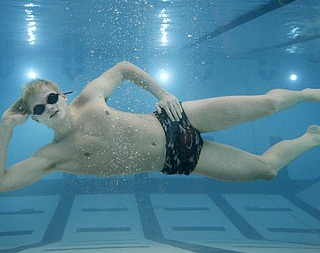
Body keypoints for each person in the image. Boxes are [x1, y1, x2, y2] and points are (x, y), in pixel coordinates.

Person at [1, 61, 320, 193]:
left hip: (178, 118)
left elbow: (124, 68)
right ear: (37, 119)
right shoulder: (52, 155)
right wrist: (6, 127)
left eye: (53, 97)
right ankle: (312, 137)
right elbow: (2, 184)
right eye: (40, 108)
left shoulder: (90, 98)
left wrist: (163, 93)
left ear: (63, 96)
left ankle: (306, 94)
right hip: (178, 160)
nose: (51, 106)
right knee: (266, 170)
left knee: (270, 105)